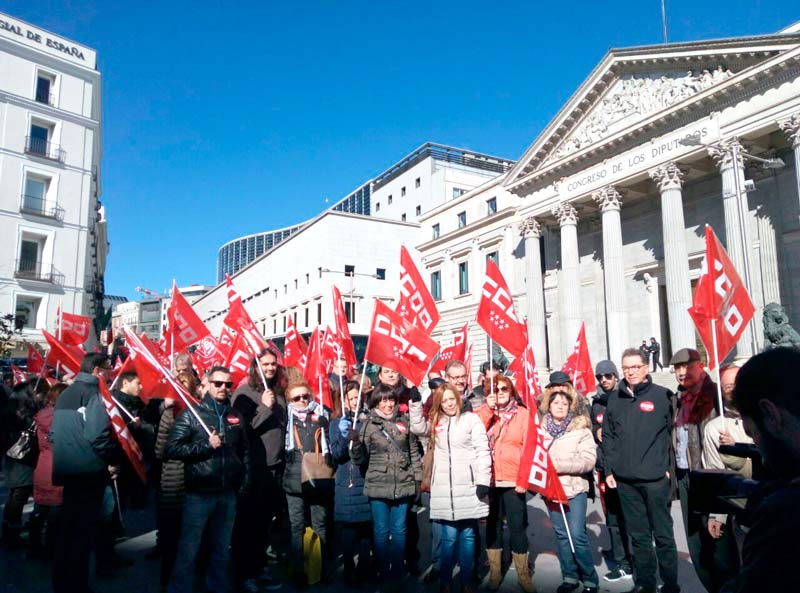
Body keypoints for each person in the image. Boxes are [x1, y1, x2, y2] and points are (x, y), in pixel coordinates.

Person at [718, 348, 800, 593]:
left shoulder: (784, 515)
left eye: (752, 432)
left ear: (770, 414)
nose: (759, 450)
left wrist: (749, 547)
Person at [166, 366, 251, 593]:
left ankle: (217, 588)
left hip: (227, 494)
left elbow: (245, 452)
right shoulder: (192, 414)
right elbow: (172, 448)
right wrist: (205, 446)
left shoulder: (234, 415)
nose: (223, 388)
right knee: (189, 548)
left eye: (228, 384)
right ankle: (179, 588)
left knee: (222, 549)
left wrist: (243, 483)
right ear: (207, 384)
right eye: (218, 383)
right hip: (199, 494)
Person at [603, 347, 679, 593]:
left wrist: (669, 471)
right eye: (626, 368)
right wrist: (609, 470)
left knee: (664, 536)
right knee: (639, 537)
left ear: (646, 368)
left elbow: (674, 437)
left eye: (635, 367)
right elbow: (609, 437)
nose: (631, 372)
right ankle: (646, 583)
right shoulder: (615, 398)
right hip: (626, 482)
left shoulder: (663, 396)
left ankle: (670, 584)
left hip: (656, 480)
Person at [411, 382, 490, 593]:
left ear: (458, 398)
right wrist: (415, 403)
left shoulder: (471, 419)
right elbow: (417, 428)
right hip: (444, 488)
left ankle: (466, 582)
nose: (448, 404)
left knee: (468, 536)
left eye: (451, 399)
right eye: (444, 401)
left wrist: (483, 480)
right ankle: (445, 581)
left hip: (469, 486)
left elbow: (483, 451)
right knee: (448, 537)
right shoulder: (437, 421)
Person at [51, 353, 121, 593]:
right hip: (88, 472)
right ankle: (77, 585)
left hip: (67, 470)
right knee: (82, 534)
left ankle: (62, 582)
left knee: (67, 532)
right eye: (109, 369)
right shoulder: (94, 394)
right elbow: (97, 435)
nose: (111, 373)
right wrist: (113, 458)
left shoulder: (65, 394)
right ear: (97, 371)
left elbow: (54, 433)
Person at [351, 383, 422, 589]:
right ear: (376, 402)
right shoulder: (367, 424)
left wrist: (417, 480)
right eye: (383, 400)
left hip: (403, 482)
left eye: (391, 399)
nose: (388, 404)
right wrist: (355, 445)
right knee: (381, 531)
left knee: (399, 530)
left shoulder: (404, 422)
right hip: (378, 484)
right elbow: (359, 460)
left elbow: (413, 454)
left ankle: (397, 572)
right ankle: (383, 570)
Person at [231, 347, 287, 592]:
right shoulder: (245, 393)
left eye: (273, 364)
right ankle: (244, 575)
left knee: (264, 524)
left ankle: (258, 568)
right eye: (265, 364)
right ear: (255, 367)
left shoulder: (277, 392)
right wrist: (264, 406)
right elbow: (243, 429)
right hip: (255, 469)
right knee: (248, 525)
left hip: (277, 467)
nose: (270, 368)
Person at [474, 376, 534, 593]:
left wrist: (524, 478)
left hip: (513, 478)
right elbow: (474, 431)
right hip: (489, 479)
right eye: (494, 389)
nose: (499, 392)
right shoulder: (484, 413)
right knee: (493, 526)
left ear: (511, 391)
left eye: (503, 389)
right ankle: (496, 573)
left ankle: (523, 574)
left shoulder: (522, 414)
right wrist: (488, 410)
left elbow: (529, 448)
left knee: (518, 526)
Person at [540, 384, 599, 593]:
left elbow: (588, 461)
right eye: (556, 403)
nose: (560, 406)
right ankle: (570, 576)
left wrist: (559, 464)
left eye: (564, 404)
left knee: (577, 534)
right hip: (551, 491)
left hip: (574, 490)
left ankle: (590, 578)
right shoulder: (542, 431)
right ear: (549, 405)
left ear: (570, 407)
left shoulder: (581, 430)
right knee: (562, 535)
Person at [670, 347, 718, 592]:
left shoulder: (714, 394)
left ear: (700, 366)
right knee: (694, 537)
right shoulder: (677, 399)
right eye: (677, 368)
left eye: (687, 367)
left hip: (708, 475)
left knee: (717, 538)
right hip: (685, 474)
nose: (682, 372)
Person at [701, 365, 751, 592]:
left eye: (736, 385)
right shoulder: (715, 428)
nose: (732, 391)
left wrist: (739, 448)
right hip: (743, 510)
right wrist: (717, 515)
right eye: (727, 387)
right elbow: (716, 471)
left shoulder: (764, 416)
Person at [282, 379, 334, 588]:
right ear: (289, 400)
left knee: (319, 523)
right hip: (293, 478)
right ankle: (299, 570)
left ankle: (319, 569)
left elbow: (330, 440)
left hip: (317, 475)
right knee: (296, 526)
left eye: (306, 396)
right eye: (297, 398)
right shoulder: (285, 417)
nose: (302, 400)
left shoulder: (321, 414)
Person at [590, 360, 633, 583]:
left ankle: (629, 560)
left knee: (628, 517)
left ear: (616, 376)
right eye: (600, 377)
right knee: (612, 517)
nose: (604, 380)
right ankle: (620, 555)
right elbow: (592, 426)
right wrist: (597, 429)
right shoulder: (596, 403)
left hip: (625, 468)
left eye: (608, 375)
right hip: (604, 468)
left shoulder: (626, 399)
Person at [330, 380, 373, 586]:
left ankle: (365, 566)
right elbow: (337, 455)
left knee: (366, 528)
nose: (356, 402)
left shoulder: (367, 420)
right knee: (348, 529)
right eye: (351, 398)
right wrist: (344, 434)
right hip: (346, 481)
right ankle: (349, 567)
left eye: (358, 397)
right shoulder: (336, 422)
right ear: (343, 400)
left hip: (364, 477)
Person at [153, 373, 190, 588]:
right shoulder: (197, 412)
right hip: (181, 480)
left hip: (173, 478)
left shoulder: (170, 413)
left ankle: (169, 581)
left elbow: (159, 451)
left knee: (172, 534)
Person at [28, 382, 67, 559]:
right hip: (59, 466)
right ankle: (51, 548)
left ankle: (34, 546)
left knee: (40, 509)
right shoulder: (64, 418)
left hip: (42, 465)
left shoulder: (41, 415)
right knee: (55, 514)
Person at [2, 381, 39, 548]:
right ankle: (12, 535)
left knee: (15, 495)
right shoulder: (22, 414)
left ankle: (10, 530)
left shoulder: (9, 410)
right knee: (19, 496)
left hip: (12, 458)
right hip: (22, 459)